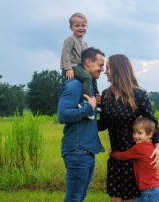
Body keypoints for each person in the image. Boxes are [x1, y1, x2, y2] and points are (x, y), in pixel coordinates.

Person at [98, 54, 159, 202]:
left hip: (133, 159)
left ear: (117, 70)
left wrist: (158, 147)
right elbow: (102, 124)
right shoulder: (105, 95)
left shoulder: (138, 95)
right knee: (115, 199)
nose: (105, 71)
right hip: (115, 157)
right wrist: (83, 115)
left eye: (108, 68)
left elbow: (153, 122)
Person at [57, 47, 105, 202]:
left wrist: (98, 107)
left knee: (80, 197)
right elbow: (62, 115)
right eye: (100, 65)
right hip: (78, 151)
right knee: (74, 198)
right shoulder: (74, 85)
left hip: (87, 150)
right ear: (88, 62)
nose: (102, 70)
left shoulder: (89, 86)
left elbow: (90, 118)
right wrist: (88, 108)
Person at [111, 117, 159, 202]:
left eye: (139, 133)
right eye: (134, 132)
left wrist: (112, 153)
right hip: (157, 189)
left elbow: (124, 156)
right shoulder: (152, 146)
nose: (136, 136)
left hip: (148, 191)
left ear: (150, 134)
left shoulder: (139, 148)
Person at [60, 12, 99, 97]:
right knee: (88, 78)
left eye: (83, 25)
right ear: (71, 28)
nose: (81, 28)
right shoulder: (70, 40)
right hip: (72, 67)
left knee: (93, 75)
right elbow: (65, 54)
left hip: (80, 67)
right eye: (77, 26)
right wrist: (68, 69)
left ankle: (97, 95)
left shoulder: (84, 44)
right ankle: (87, 99)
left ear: (87, 27)